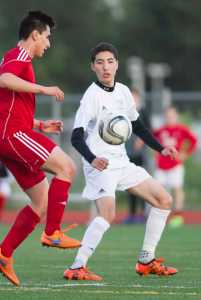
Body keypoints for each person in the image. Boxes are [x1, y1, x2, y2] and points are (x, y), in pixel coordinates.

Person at [63, 42, 178, 281]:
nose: (106, 67)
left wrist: (160, 148)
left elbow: (137, 126)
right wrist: (92, 159)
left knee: (164, 199)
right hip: (100, 164)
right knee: (108, 214)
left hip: (121, 162)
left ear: (117, 64)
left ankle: (146, 260)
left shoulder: (124, 91)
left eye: (110, 61)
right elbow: (76, 137)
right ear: (93, 67)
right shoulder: (91, 96)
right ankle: (76, 267)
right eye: (100, 62)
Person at [0, 10, 80, 286]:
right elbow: (5, 80)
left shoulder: (17, 59)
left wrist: (40, 125)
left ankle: (3, 253)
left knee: (40, 202)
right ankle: (52, 232)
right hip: (14, 136)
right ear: (35, 34)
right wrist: (44, 89)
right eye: (47, 37)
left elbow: (10, 103)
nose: (48, 44)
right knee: (67, 167)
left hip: (12, 135)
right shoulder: (19, 57)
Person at [153, 106, 197, 220]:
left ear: (176, 116)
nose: (169, 118)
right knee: (158, 190)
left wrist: (185, 154)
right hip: (161, 166)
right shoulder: (161, 130)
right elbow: (152, 140)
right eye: (167, 116)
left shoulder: (181, 129)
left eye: (172, 115)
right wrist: (155, 154)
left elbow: (194, 140)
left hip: (175, 165)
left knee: (177, 188)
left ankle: (178, 215)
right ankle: (161, 214)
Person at [123, 88, 150, 224]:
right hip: (127, 154)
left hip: (140, 155)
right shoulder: (123, 111)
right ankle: (132, 214)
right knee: (130, 185)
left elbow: (148, 129)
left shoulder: (143, 112)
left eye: (135, 98)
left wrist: (141, 139)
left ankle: (142, 214)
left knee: (141, 183)